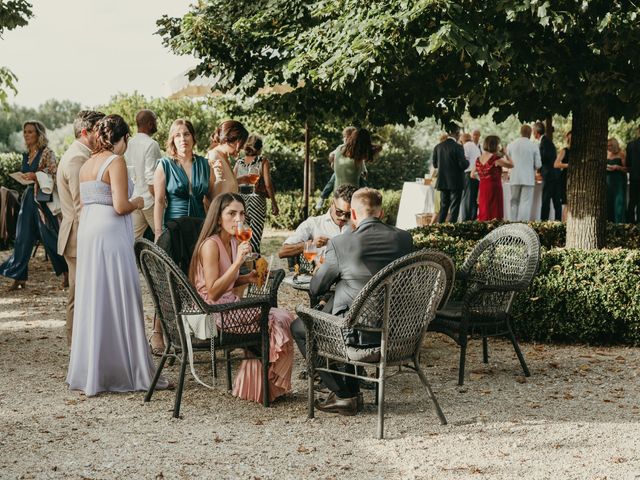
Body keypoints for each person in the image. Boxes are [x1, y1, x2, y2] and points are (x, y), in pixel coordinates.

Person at [66, 114, 168, 396]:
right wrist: (139, 201)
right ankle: (127, 367)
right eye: (126, 140)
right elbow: (121, 205)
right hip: (110, 231)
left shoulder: (87, 164)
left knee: (96, 295)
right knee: (120, 292)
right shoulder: (116, 161)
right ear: (121, 139)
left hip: (90, 231)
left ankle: (95, 370)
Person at [290, 188, 414, 416]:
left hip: (359, 335)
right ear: (382, 212)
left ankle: (344, 395)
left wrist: (324, 269)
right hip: (400, 332)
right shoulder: (404, 239)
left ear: (353, 215)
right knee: (339, 304)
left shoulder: (341, 243)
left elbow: (317, 288)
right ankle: (352, 390)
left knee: (300, 327)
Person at [188, 193, 294, 403]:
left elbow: (225, 281)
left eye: (242, 213)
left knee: (284, 317)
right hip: (211, 313)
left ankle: (261, 386)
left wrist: (246, 277)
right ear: (218, 218)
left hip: (229, 307)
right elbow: (213, 292)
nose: (239, 219)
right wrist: (238, 263)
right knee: (278, 319)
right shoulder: (210, 245)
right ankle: (264, 387)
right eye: (232, 213)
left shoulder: (235, 242)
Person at [151, 119, 215, 354]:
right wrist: (159, 232)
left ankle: (198, 331)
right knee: (166, 280)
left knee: (197, 278)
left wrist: (214, 228)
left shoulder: (204, 164)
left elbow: (211, 198)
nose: (183, 139)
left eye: (186, 134)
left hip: (198, 228)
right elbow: (159, 201)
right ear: (172, 140)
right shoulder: (164, 164)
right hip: (173, 228)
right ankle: (158, 332)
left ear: (193, 138)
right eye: (177, 135)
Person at [0, 121, 68, 291]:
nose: (26, 134)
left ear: (39, 134)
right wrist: (25, 177)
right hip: (28, 198)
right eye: (25, 132)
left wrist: (36, 176)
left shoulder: (47, 153)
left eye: (30, 132)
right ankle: (19, 277)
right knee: (22, 238)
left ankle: (68, 272)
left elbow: (55, 172)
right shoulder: (26, 154)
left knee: (50, 237)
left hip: (42, 201)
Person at [57, 110, 105, 346]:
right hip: (78, 236)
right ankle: (75, 346)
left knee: (82, 292)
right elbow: (81, 206)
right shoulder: (77, 159)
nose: (103, 135)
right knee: (78, 294)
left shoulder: (79, 155)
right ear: (86, 132)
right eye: (99, 130)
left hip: (77, 234)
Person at [278, 183, 357, 260]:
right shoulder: (314, 223)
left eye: (348, 214)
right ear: (332, 204)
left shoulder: (358, 225)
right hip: (321, 271)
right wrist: (311, 245)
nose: (343, 217)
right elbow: (283, 252)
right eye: (339, 211)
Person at [234, 134, 279, 255]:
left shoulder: (239, 162)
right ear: (259, 148)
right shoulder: (262, 161)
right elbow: (268, 185)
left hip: (241, 201)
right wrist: (274, 204)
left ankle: (244, 262)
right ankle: (253, 265)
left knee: (243, 235)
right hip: (257, 201)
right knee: (255, 235)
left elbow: (233, 182)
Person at [124, 109, 162, 239]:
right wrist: (160, 200)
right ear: (150, 124)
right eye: (155, 121)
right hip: (150, 201)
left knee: (133, 242)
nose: (156, 124)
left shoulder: (128, 144)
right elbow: (151, 177)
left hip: (134, 200)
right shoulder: (152, 144)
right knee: (162, 238)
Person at [432, 126, 469, 223]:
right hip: (456, 181)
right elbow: (463, 165)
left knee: (443, 206)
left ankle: (439, 227)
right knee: (454, 207)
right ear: (457, 134)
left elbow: (435, 165)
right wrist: (467, 161)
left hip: (443, 181)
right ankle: (452, 228)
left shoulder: (438, 147)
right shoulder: (458, 147)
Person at [316, 126, 358, 210]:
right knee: (332, 180)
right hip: (341, 172)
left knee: (363, 183)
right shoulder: (341, 147)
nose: (345, 139)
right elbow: (331, 155)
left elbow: (361, 162)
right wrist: (333, 161)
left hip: (353, 173)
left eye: (347, 137)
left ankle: (369, 200)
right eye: (344, 137)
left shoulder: (356, 149)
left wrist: (364, 170)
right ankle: (323, 197)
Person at [506, 124, 542, 222]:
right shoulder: (534, 146)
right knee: (526, 203)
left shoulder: (511, 145)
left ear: (520, 132)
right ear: (530, 133)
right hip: (528, 178)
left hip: (515, 177)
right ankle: (523, 223)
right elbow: (538, 164)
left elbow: (507, 161)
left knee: (514, 201)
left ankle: (513, 222)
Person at [472, 135, 513, 221]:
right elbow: (511, 165)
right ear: (494, 145)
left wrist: (483, 177)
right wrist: (506, 153)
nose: (499, 146)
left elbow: (472, 174)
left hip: (483, 187)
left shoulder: (478, 159)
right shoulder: (495, 159)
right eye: (498, 144)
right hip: (494, 187)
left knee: (484, 211)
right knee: (494, 212)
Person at [207, 120, 249, 197]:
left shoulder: (224, 156)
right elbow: (212, 193)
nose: (242, 148)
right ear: (228, 140)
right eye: (241, 144)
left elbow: (224, 186)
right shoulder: (214, 157)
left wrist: (239, 180)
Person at [534, 122, 561, 221]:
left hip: (550, 175)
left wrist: (536, 165)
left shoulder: (544, 142)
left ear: (536, 132)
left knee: (546, 201)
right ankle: (558, 222)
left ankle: (543, 223)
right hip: (554, 174)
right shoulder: (547, 141)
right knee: (556, 201)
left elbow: (544, 158)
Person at [460, 132, 481, 221]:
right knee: (473, 197)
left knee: (467, 197)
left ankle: (466, 219)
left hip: (469, 173)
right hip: (476, 174)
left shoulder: (466, 146)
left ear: (462, 140)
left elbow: (465, 160)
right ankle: (472, 217)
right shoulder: (475, 147)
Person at [606, 137, 627, 224]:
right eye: (607, 145)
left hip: (618, 182)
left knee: (618, 204)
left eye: (610, 145)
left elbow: (626, 169)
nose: (608, 147)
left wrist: (617, 167)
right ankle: (609, 224)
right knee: (608, 203)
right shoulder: (606, 154)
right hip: (607, 182)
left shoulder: (621, 154)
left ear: (614, 145)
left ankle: (619, 224)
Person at [553, 131, 572, 222]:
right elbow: (556, 164)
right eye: (569, 138)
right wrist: (568, 165)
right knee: (567, 203)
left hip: (575, 179)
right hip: (565, 178)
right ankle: (564, 225)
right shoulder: (565, 150)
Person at [626, 126, 640, 223]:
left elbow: (628, 163)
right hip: (635, 176)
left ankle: (630, 223)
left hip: (634, 177)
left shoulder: (631, 145)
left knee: (632, 201)